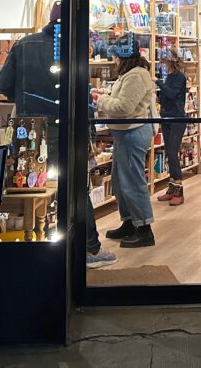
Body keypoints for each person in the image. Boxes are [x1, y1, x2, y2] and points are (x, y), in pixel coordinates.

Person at [94, 33, 157, 248]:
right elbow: (123, 99)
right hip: (125, 134)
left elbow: (124, 107)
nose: (113, 59)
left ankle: (144, 228)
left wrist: (101, 99)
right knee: (121, 182)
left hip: (133, 133)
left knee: (132, 181)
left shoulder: (136, 76)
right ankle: (130, 222)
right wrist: (105, 93)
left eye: (115, 55)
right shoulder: (130, 74)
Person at [0, 1, 61, 168]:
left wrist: (20, 96)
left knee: (27, 172)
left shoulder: (25, 43)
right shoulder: (75, 47)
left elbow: (3, 83)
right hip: (65, 124)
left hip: (28, 121)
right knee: (64, 182)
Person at [85, 39, 117, 269]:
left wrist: (102, 98)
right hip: (76, 137)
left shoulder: (26, 46)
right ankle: (89, 248)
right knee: (79, 190)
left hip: (34, 131)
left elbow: (5, 84)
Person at [155, 52, 188, 207]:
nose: (163, 65)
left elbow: (172, 93)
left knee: (173, 153)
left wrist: (158, 83)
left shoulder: (179, 77)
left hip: (177, 118)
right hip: (167, 117)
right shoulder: (169, 76)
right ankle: (171, 189)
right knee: (168, 152)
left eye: (165, 63)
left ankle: (179, 191)